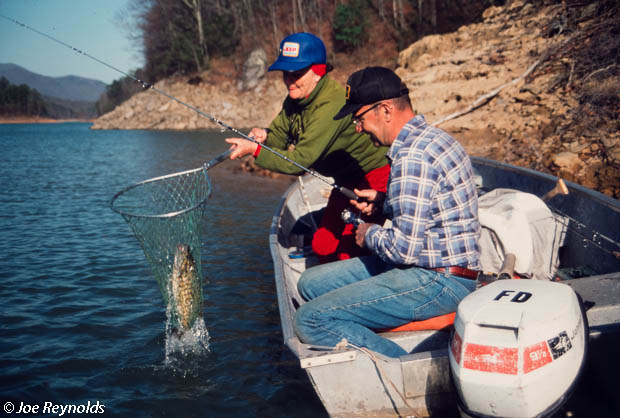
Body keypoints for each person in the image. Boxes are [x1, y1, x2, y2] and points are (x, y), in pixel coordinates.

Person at [294, 67, 481, 358]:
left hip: (439, 280)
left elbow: (403, 250)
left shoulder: (411, 158)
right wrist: (382, 202)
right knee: (310, 283)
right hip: (432, 267)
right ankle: (360, 323)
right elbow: (429, 209)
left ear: (385, 110)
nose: (358, 128)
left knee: (310, 319)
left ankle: (402, 365)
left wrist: (368, 234)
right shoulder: (432, 139)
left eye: (359, 118)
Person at [225, 33, 390, 263]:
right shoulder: (296, 98)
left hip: (375, 178)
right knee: (323, 246)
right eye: (286, 73)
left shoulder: (330, 104)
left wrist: (254, 151)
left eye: (297, 73)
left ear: (319, 71)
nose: (290, 80)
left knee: (348, 255)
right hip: (345, 183)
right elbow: (279, 136)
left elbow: (299, 162)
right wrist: (265, 137)